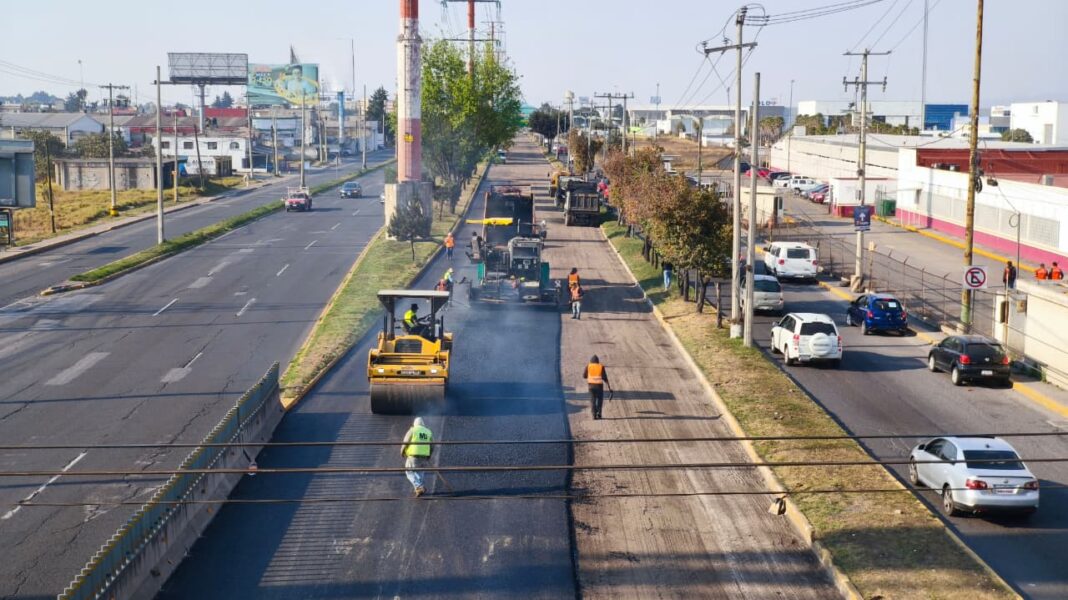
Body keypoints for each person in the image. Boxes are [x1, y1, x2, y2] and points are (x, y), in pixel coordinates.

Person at [400, 417, 433, 497]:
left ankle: (419, 486)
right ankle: (418, 489)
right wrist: (429, 455)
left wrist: (402, 451)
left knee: (409, 471)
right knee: (420, 472)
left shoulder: (413, 430)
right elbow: (432, 445)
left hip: (413, 456)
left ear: (415, 423)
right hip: (424, 456)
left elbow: (405, 442)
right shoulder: (428, 432)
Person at [582, 355, 611, 420]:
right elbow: (604, 377)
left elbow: (584, 376)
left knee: (593, 400)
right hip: (599, 386)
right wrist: (609, 387)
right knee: (599, 400)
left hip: (591, 387)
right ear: (598, 361)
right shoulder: (601, 367)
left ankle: (594, 415)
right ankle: (599, 414)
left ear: (591, 361)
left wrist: (589, 376)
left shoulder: (588, 366)